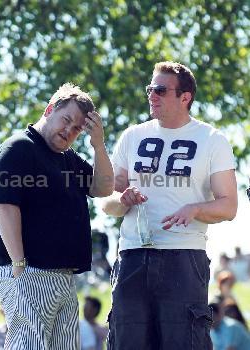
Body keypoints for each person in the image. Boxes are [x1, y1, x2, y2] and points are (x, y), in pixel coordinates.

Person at [102, 61, 238, 349]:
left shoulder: (213, 140)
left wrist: (196, 209)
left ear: (185, 97)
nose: (152, 95)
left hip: (184, 259)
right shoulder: (131, 136)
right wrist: (122, 200)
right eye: (150, 89)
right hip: (132, 258)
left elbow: (229, 206)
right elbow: (108, 203)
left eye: (161, 90)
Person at [0, 83, 114, 349]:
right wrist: (19, 265)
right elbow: (5, 207)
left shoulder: (68, 158)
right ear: (49, 110)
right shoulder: (19, 148)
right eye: (65, 120)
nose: (68, 131)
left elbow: (102, 187)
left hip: (63, 276)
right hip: (29, 272)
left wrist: (99, 145)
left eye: (77, 128)